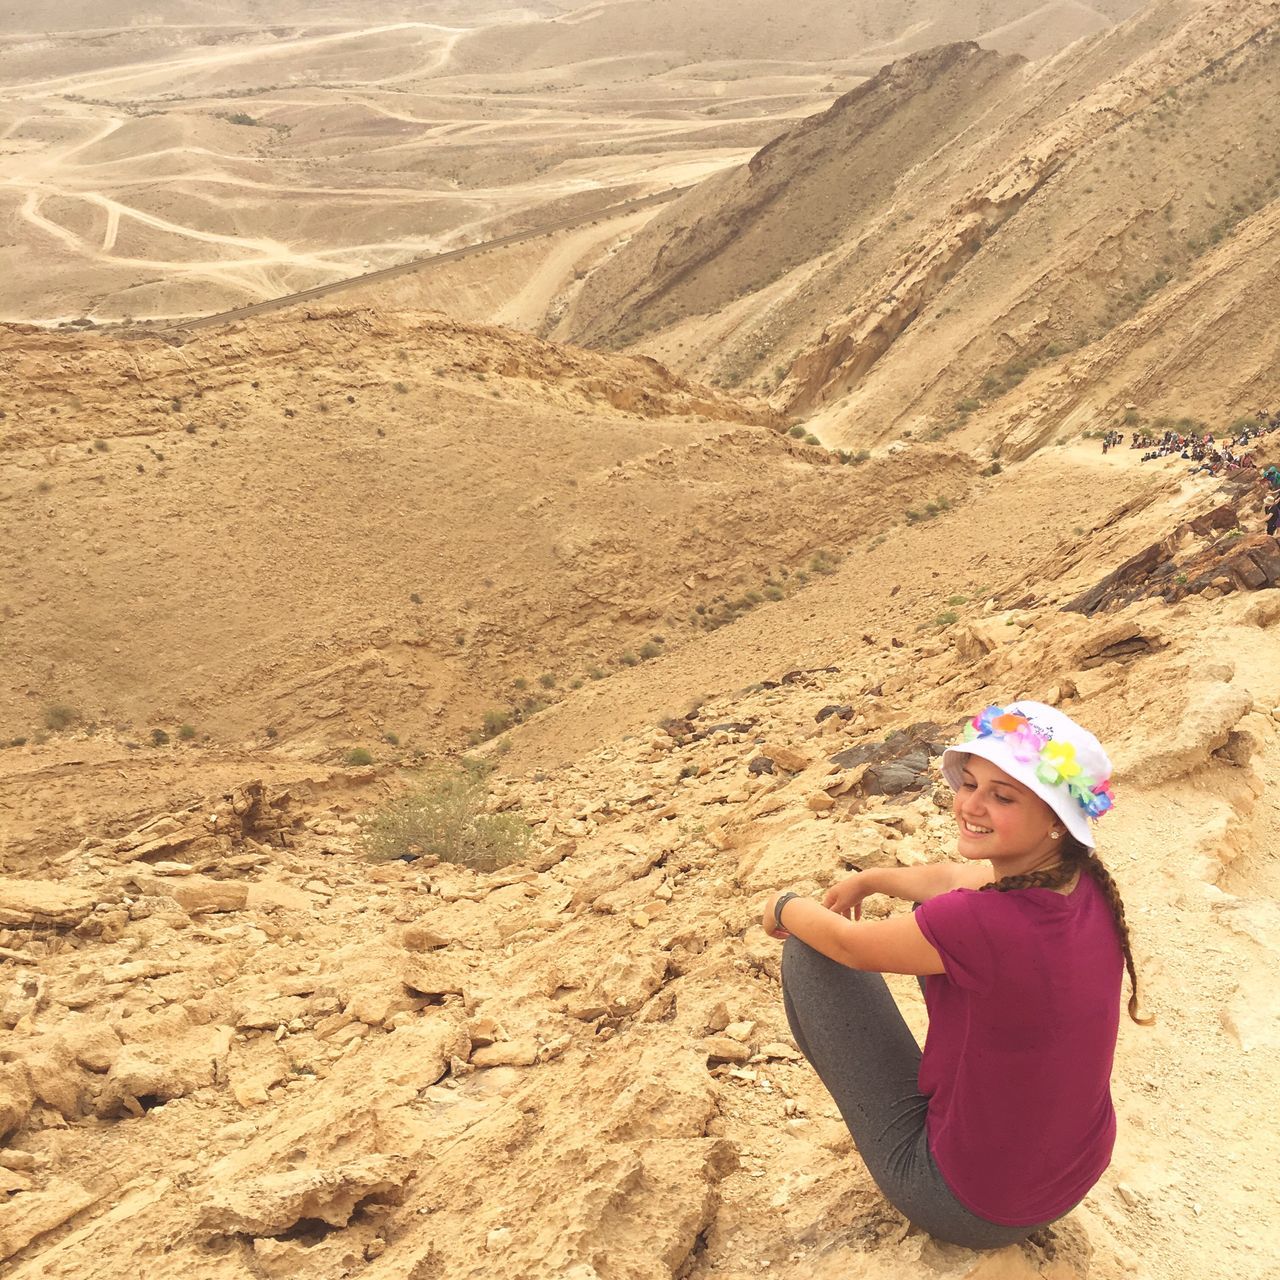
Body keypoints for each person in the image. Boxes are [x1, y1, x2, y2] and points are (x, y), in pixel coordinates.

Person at [761, 701, 1151, 1250]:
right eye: (969, 783)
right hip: (1064, 1179)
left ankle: (915, 1139)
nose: (971, 804)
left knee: (812, 950)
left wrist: (786, 906)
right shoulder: (1083, 884)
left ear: (1057, 824)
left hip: (966, 1206)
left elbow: (848, 946)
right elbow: (958, 877)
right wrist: (873, 879)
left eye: (1002, 795)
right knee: (943, 944)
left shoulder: (979, 922)